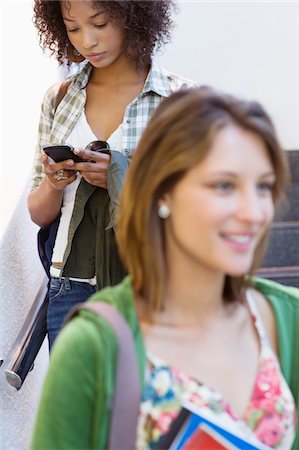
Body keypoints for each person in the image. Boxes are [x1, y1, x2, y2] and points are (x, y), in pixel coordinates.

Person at [30, 87, 298, 450]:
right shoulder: (93, 346)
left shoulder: (288, 318)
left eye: (263, 186)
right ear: (162, 192)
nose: (253, 213)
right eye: (224, 185)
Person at [27, 0, 195, 350]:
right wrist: (54, 182)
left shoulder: (180, 101)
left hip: (149, 288)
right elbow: (39, 214)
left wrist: (123, 177)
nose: (87, 41)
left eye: (99, 23)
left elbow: (195, 206)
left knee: (145, 404)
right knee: (78, 405)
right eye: (73, 28)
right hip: (69, 292)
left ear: (132, 15)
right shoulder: (59, 100)